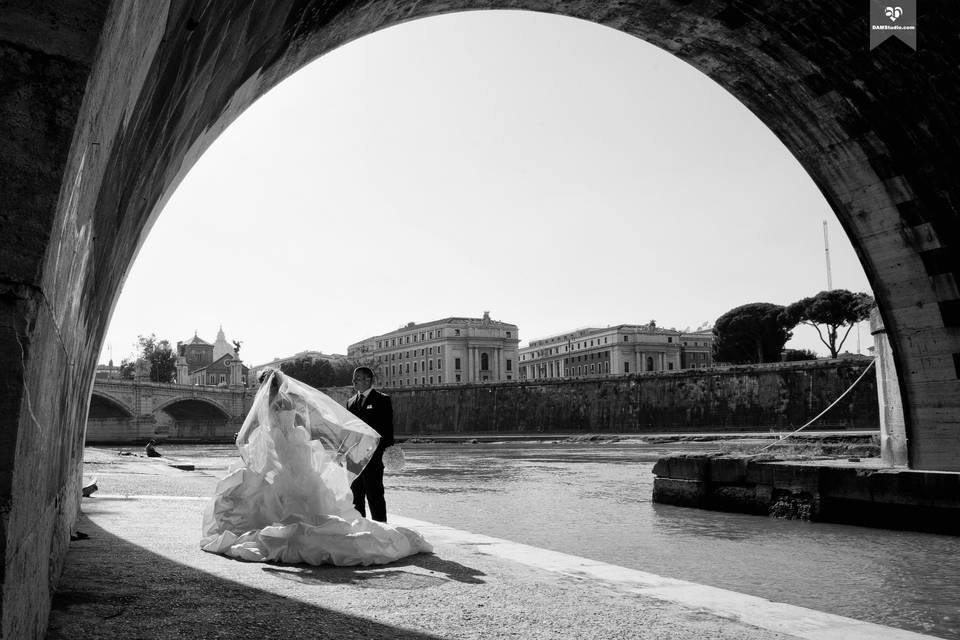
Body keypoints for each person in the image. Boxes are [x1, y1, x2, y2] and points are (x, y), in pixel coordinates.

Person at [199, 368, 430, 565]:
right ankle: (370, 523)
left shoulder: (272, 402)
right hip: (295, 447)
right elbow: (297, 423)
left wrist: (246, 438)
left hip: (283, 445)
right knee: (313, 491)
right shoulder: (288, 400)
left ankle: (377, 521)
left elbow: (267, 427)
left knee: (269, 488)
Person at [347, 366, 393, 522]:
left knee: (375, 496)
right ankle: (360, 530)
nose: (354, 381)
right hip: (355, 458)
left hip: (374, 458)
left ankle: (382, 529)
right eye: (354, 378)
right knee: (356, 496)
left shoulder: (382, 400)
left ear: (368, 380)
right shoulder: (350, 402)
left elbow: (387, 430)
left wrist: (383, 455)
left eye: (357, 378)